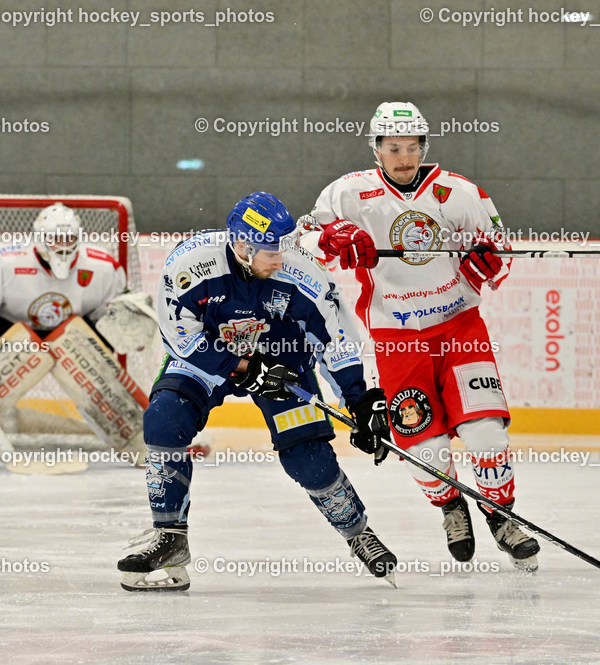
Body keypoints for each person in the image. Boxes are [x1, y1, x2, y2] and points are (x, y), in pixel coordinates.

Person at [299, 102, 540, 571]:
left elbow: (503, 252)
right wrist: (332, 240)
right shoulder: (347, 194)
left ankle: (500, 515)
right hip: (397, 336)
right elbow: (303, 247)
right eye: (393, 148)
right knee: (424, 450)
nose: (404, 157)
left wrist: (490, 263)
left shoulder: (459, 193)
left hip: (460, 327)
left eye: (412, 147)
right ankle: (452, 506)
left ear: (424, 147)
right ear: (377, 149)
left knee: (486, 435)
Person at [117, 192, 398, 592]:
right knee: (163, 420)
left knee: (309, 459)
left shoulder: (303, 274)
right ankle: (170, 538)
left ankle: (358, 533)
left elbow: (335, 341)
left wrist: (360, 401)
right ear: (242, 246)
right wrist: (241, 367)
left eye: (284, 247)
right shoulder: (190, 265)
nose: (280, 259)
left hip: (284, 361)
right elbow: (180, 336)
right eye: (271, 250)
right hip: (209, 359)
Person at [0, 203, 129, 389]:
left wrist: (129, 324)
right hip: (13, 332)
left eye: (69, 239)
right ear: (40, 237)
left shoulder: (103, 267)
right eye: (55, 239)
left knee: (107, 338)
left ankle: (117, 413)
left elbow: (113, 317)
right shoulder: (6, 260)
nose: (63, 247)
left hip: (71, 336)